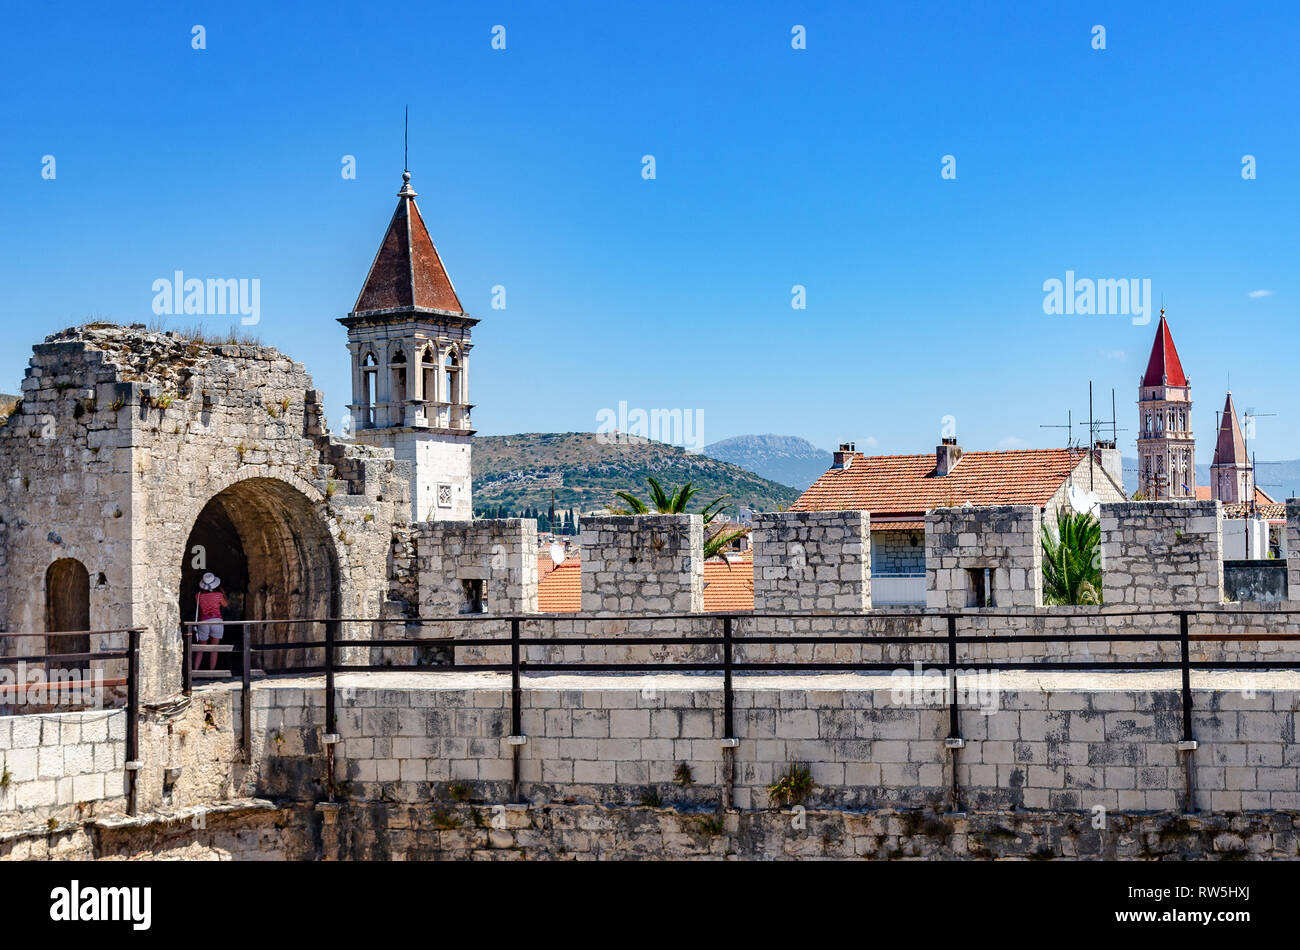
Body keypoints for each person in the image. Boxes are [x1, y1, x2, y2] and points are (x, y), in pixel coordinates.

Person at [193, 573, 228, 671]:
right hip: (217, 621)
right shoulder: (219, 595)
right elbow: (225, 604)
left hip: (203, 621)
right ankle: (212, 673)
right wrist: (223, 593)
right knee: (214, 648)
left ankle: (195, 672)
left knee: (201, 648)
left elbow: (199, 606)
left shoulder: (198, 596)